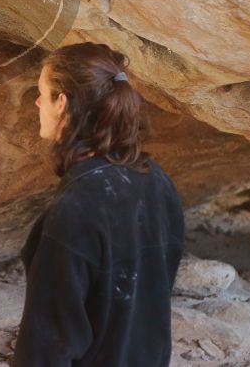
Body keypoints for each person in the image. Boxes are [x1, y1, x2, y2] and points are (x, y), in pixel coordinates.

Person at [12, 42, 185, 366]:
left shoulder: (74, 209)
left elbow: (47, 343)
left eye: (42, 92)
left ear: (61, 103)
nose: (37, 102)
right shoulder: (157, 182)